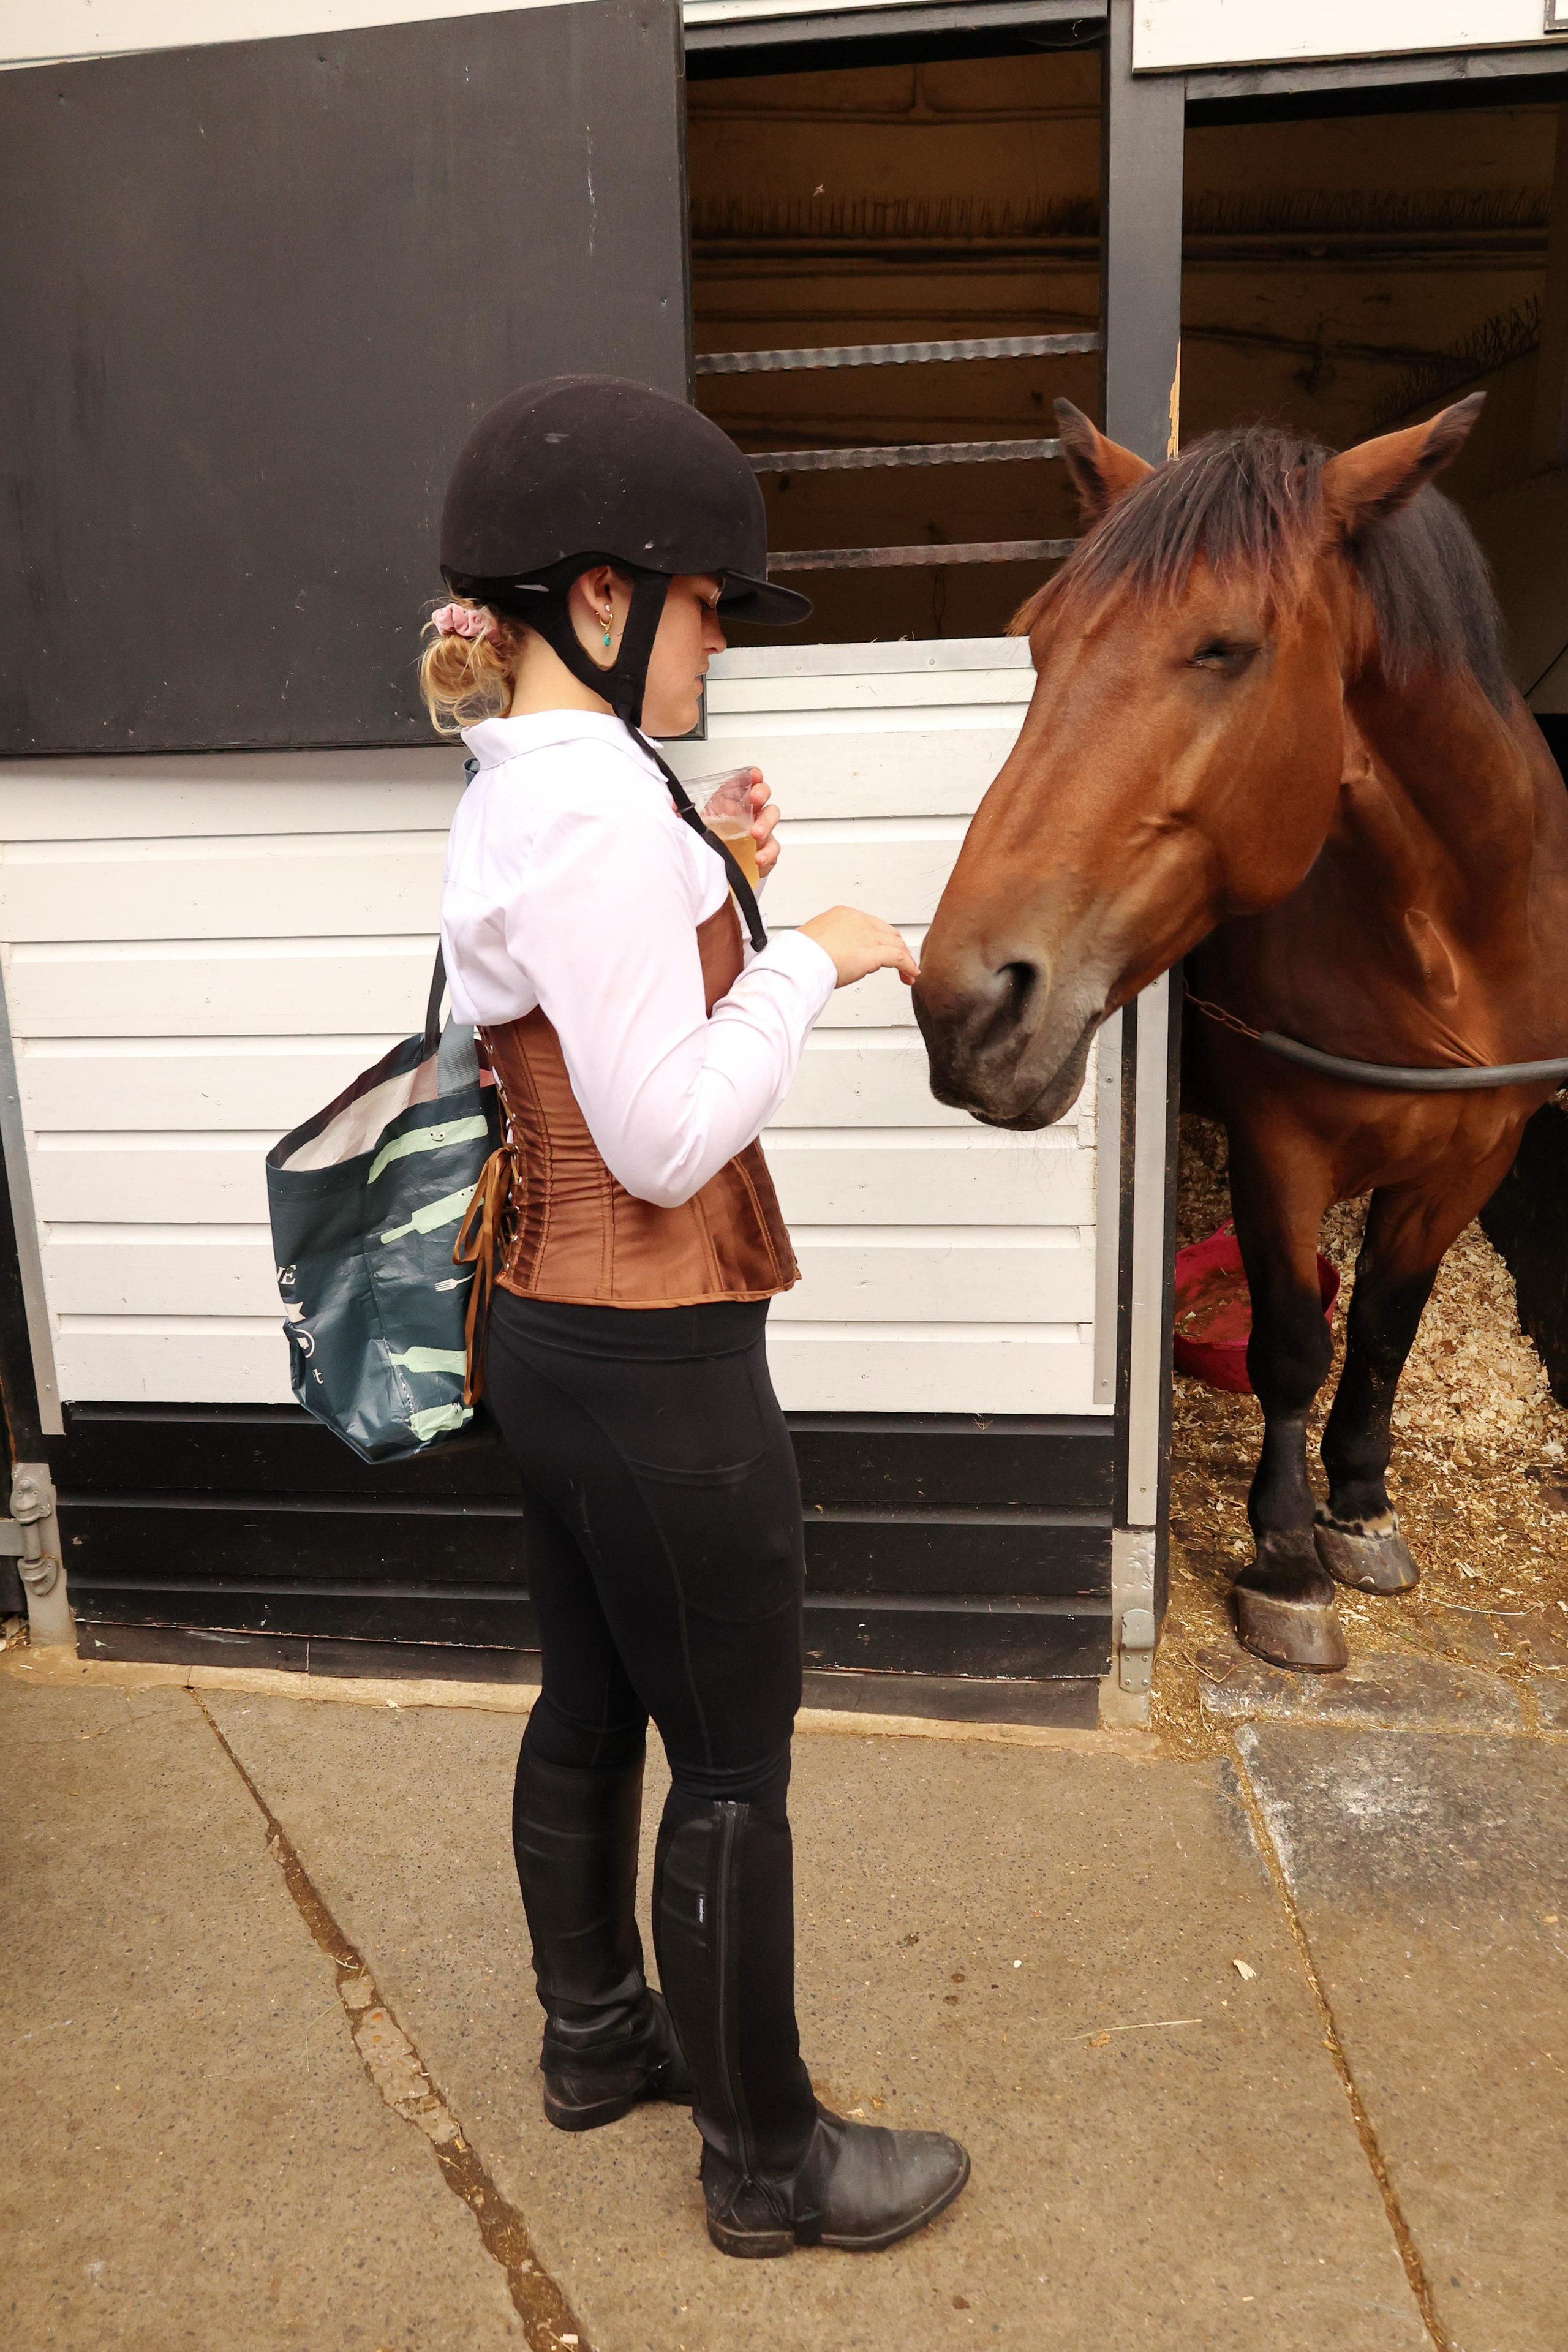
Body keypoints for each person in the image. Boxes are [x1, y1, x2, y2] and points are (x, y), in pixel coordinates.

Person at [424, 375, 970, 2258]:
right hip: (656, 1351)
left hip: (554, 1340)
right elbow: (660, 1134)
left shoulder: (535, 790)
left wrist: (718, 880)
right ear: (601, 598)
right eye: (711, 598)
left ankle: (597, 2041)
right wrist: (813, 948)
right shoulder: (583, 811)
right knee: (732, 1763)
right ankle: (771, 2164)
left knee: (590, 1697)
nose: (725, 630)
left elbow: (583, 1022)